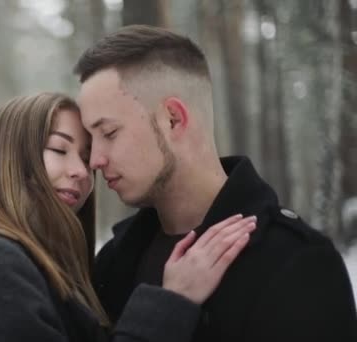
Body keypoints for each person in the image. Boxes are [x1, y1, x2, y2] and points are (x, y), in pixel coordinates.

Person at [73, 25, 357, 341]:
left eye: (109, 133)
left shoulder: (297, 263)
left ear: (173, 119)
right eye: (91, 141)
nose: (95, 160)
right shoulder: (114, 262)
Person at [0, 92, 257, 342]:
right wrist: (172, 301)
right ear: (7, 156)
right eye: (59, 149)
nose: (81, 171)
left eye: (85, 157)